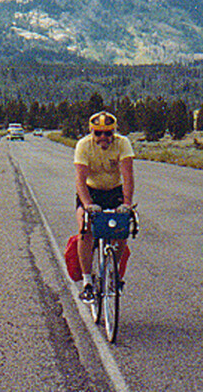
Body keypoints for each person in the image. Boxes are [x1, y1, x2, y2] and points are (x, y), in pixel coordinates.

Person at [74, 110, 134, 303]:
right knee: (85, 230)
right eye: (98, 133)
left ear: (113, 132)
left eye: (108, 133)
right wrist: (87, 204)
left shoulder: (122, 143)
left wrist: (126, 204)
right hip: (91, 192)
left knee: (122, 229)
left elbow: (128, 177)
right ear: (92, 132)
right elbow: (80, 181)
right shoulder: (83, 145)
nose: (103, 137)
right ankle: (87, 283)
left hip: (114, 191)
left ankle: (113, 272)